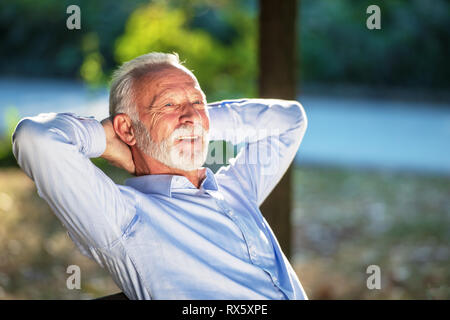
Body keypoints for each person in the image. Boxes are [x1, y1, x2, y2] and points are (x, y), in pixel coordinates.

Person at [12, 52, 308, 300]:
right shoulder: (124, 218)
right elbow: (35, 139)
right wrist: (108, 138)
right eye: (169, 105)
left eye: (197, 101)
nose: (191, 115)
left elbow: (290, 120)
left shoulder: (236, 189)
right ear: (127, 129)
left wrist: (196, 123)